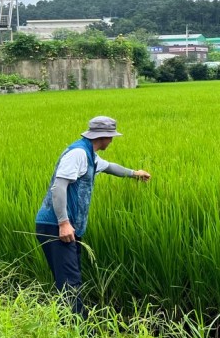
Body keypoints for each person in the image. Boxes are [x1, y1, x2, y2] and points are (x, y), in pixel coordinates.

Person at [35, 116, 151, 318]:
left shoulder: (90, 154)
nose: (112, 141)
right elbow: (59, 188)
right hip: (56, 225)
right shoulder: (78, 153)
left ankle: (69, 325)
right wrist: (63, 223)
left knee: (71, 278)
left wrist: (135, 173)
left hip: (67, 226)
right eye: (111, 137)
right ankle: (77, 330)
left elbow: (110, 167)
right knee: (69, 282)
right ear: (104, 137)